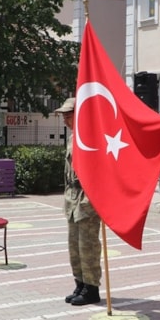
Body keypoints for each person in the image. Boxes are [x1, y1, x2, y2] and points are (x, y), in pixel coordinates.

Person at [56, 97, 102, 306]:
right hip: (72, 197)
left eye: (69, 115)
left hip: (87, 198)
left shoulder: (92, 137)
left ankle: (91, 288)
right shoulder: (73, 137)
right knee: (74, 246)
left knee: (88, 246)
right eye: (64, 116)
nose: (65, 119)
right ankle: (80, 283)